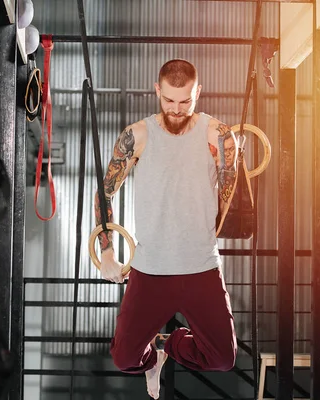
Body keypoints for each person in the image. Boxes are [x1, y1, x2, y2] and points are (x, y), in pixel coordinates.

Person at [94, 59, 238, 399]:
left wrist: (231, 158)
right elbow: (105, 192)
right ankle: (152, 360)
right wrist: (107, 252)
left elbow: (233, 203)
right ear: (157, 91)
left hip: (200, 266)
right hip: (151, 268)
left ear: (197, 93)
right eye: (169, 101)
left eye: (185, 101)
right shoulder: (137, 135)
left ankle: (169, 344)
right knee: (125, 358)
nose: (176, 110)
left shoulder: (217, 135)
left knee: (222, 358)